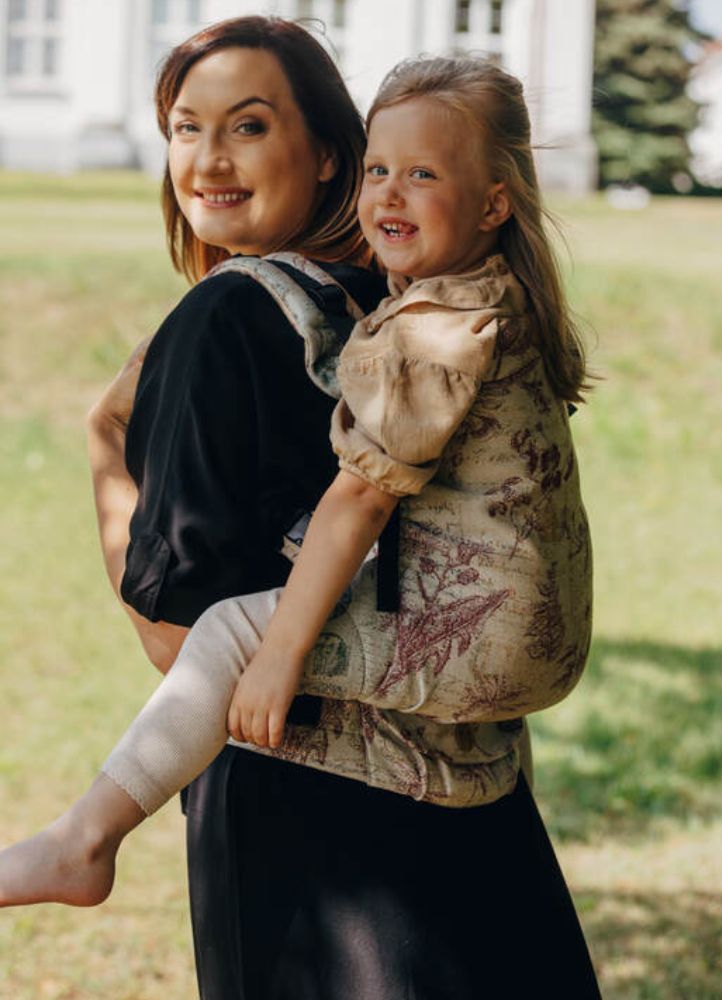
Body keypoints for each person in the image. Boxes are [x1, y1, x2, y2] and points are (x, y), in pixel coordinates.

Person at [0, 23, 601, 999]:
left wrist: (107, 457)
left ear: (327, 151)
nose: (208, 158)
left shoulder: (227, 319)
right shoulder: (414, 287)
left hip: (317, 851)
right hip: (482, 815)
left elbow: (174, 638)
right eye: (186, 127)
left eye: (246, 124)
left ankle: (82, 841)